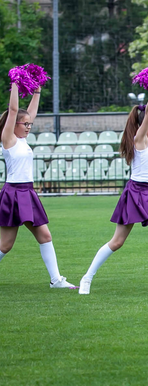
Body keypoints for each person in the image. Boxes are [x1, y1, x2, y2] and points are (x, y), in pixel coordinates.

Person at [79, 92, 148, 294]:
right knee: (117, 242)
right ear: (145, 123)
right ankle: (87, 278)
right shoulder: (139, 139)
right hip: (135, 193)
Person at [0, 83, 74, 288]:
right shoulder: (8, 139)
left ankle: (56, 280)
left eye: (29, 124)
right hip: (13, 193)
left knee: (45, 236)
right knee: (5, 245)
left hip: (27, 192)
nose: (29, 126)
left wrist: (37, 89)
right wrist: (15, 83)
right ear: (14, 124)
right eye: (25, 124)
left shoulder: (23, 139)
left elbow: (29, 113)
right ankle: (56, 280)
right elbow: (14, 110)